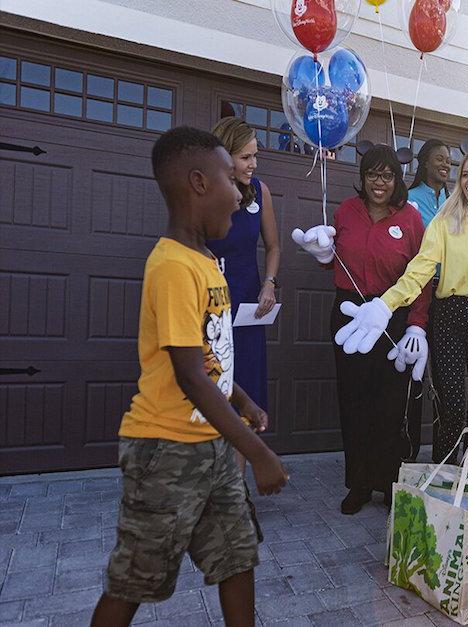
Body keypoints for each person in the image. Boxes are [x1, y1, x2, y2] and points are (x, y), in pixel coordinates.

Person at [90, 127, 288, 627]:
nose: (241, 191)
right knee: (136, 578)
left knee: (237, 555)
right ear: (198, 184)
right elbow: (190, 375)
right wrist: (257, 451)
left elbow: (211, 357)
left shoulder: (206, 262)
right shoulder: (174, 266)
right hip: (165, 450)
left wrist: (242, 399)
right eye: (230, 176)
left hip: (212, 445)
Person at [332, 151, 468, 468]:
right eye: (465, 174)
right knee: (451, 404)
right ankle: (445, 479)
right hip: (451, 315)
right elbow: (418, 272)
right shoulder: (445, 219)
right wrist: (386, 304)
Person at [293, 145, 430, 515]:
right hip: (350, 314)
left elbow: (423, 278)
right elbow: (334, 259)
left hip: (392, 316)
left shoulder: (411, 220)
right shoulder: (345, 212)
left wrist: (417, 325)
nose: (379, 183)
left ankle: (389, 483)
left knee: (390, 402)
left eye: (387, 175)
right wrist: (321, 254)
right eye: (372, 174)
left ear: (397, 179)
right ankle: (359, 484)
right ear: (363, 177)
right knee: (354, 400)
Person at [207, 117, 281, 425]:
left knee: (246, 398)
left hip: (247, 310)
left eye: (255, 157)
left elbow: (274, 246)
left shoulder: (261, 192)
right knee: (212, 393)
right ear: (225, 157)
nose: (252, 164)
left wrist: (269, 284)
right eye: (245, 157)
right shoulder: (204, 192)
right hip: (210, 307)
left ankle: (238, 476)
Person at [403, 139, 451, 460]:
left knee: (445, 372)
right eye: (439, 158)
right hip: (418, 293)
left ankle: (442, 451)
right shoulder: (409, 199)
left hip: (448, 295)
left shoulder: (456, 201)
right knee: (414, 371)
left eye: (449, 160)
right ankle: (408, 448)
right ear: (423, 163)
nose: (446, 164)